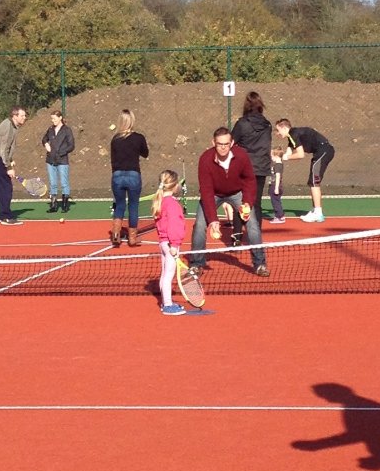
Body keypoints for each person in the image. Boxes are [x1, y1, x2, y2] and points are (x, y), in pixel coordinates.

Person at [189, 127, 270, 277]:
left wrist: (247, 202)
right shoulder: (205, 159)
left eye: (226, 144)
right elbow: (206, 190)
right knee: (200, 225)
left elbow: (250, 180)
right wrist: (213, 220)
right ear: (213, 142)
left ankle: (260, 264)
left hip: (237, 193)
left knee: (252, 224)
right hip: (213, 194)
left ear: (232, 143)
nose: (223, 147)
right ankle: (196, 264)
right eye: (220, 144)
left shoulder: (241, 155)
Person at [230, 91, 273, 244]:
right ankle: (256, 235)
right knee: (256, 203)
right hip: (261, 166)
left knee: (240, 200)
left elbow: (231, 142)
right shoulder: (267, 125)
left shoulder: (242, 123)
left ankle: (237, 234)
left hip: (245, 167)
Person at [274, 118, 335, 223]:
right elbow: (288, 152)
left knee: (314, 182)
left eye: (278, 130)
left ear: (284, 128)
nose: (277, 133)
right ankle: (315, 210)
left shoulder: (293, 134)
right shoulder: (292, 136)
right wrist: (279, 157)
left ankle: (318, 213)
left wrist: (286, 158)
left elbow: (300, 155)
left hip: (324, 151)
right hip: (322, 152)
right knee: (313, 182)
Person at [110, 109, 149, 247]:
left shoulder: (115, 139)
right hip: (133, 174)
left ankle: (116, 233)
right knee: (133, 206)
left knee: (119, 205)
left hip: (117, 175)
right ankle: (132, 238)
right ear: (132, 121)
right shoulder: (139, 138)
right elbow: (145, 153)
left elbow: (113, 159)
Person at [152, 170, 187, 316]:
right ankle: (167, 304)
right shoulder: (172, 204)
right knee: (168, 274)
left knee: (164, 273)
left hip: (163, 242)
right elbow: (174, 225)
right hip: (170, 244)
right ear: (174, 185)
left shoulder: (161, 202)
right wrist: (174, 244)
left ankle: (166, 301)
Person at [42, 110, 75, 213]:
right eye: (52, 119)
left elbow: (71, 146)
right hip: (50, 160)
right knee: (53, 183)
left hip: (62, 160)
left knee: (64, 183)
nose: (53, 120)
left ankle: (65, 205)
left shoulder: (67, 130)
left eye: (54, 118)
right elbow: (44, 139)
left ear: (60, 118)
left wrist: (61, 152)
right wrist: (46, 144)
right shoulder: (50, 129)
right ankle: (53, 205)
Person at [268, 146, 286, 224]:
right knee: (275, 201)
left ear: (276, 156)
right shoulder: (276, 164)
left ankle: (280, 216)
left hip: (275, 186)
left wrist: (276, 188)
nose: (271, 157)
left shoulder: (278, 165)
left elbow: (278, 176)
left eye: (272, 156)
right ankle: (279, 215)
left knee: (275, 202)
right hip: (273, 185)